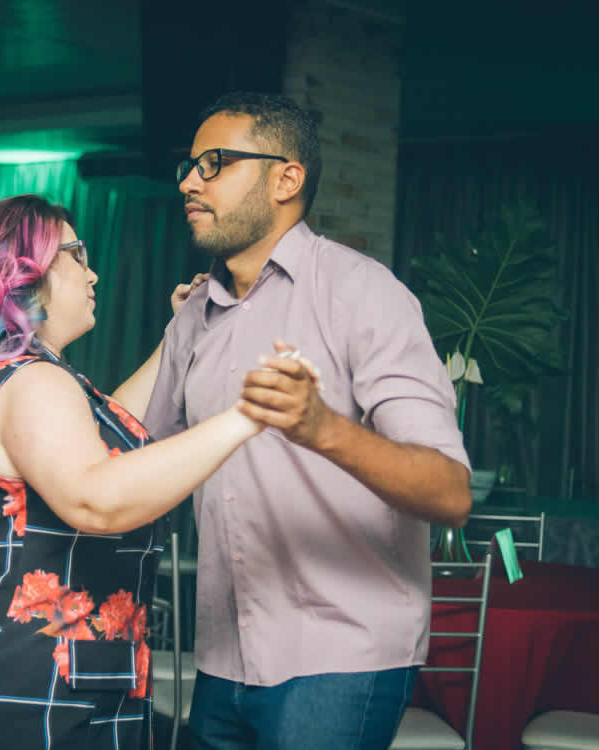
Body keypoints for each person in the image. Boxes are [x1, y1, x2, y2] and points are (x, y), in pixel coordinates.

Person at [122, 92, 474, 749]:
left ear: (286, 179)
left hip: (339, 654)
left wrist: (322, 428)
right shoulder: (194, 315)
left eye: (214, 163)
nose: (190, 182)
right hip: (222, 653)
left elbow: (450, 493)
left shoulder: (363, 293)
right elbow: (139, 455)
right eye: (189, 167)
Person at [0, 194, 265, 750]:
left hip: (33, 662)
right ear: (25, 273)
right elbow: (95, 498)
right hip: (25, 674)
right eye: (76, 254)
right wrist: (247, 417)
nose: (93, 273)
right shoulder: (34, 382)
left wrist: (179, 333)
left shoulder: (30, 375)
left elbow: (119, 432)